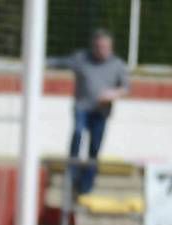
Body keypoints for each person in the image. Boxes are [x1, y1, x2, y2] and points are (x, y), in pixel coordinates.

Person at [48, 29, 130, 194]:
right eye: (99, 47)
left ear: (111, 47)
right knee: (78, 133)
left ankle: (86, 185)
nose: (102, 50)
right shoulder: (82, 59)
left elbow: (126, 88)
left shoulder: (117, 65)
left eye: (105, 47)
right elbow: (60, 62)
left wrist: (112, 94)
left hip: (101, 112)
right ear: (94, 46)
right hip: (82, 108)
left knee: (94, 148)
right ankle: (72, 172)